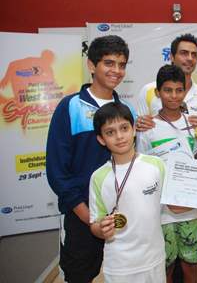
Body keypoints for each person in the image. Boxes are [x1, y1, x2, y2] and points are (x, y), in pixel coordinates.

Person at [46, 35, 134, 283]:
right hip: (81, 215)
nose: (116, 70)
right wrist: (87, 215)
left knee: (123, 275)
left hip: (121, 213)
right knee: (79, 275)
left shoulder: (128, 110)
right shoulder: (70, 107)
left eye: (122, 64)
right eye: (109, 63)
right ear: (92, 65)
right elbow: (57, 170)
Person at [136, 64, 197, 283]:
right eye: (167, 90)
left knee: (191, 267)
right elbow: (142, 169)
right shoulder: (148, 127)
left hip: (191, 211)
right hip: (160, 212)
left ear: (185, 92)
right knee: (165, 268)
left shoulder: (195, 125)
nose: (174, 96)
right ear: (157, 92)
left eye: (179, 90)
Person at [89, 102, 167, 282]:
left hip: (154, 259)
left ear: (133, 129)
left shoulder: (156, 165)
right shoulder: (98, 177)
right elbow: (95, 222)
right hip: (119, 265)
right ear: (101, 139)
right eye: (110, 132)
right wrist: (102, 229)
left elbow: (177, 204)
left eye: (124, 128)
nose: (119, 136)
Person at [136, 33, 197, 140]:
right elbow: (140, 130)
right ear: (172, 57)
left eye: (194, 55)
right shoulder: (148, 90)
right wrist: (138, 124)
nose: (190, 58)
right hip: (157, 155)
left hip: (193, 156)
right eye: (184, 53)